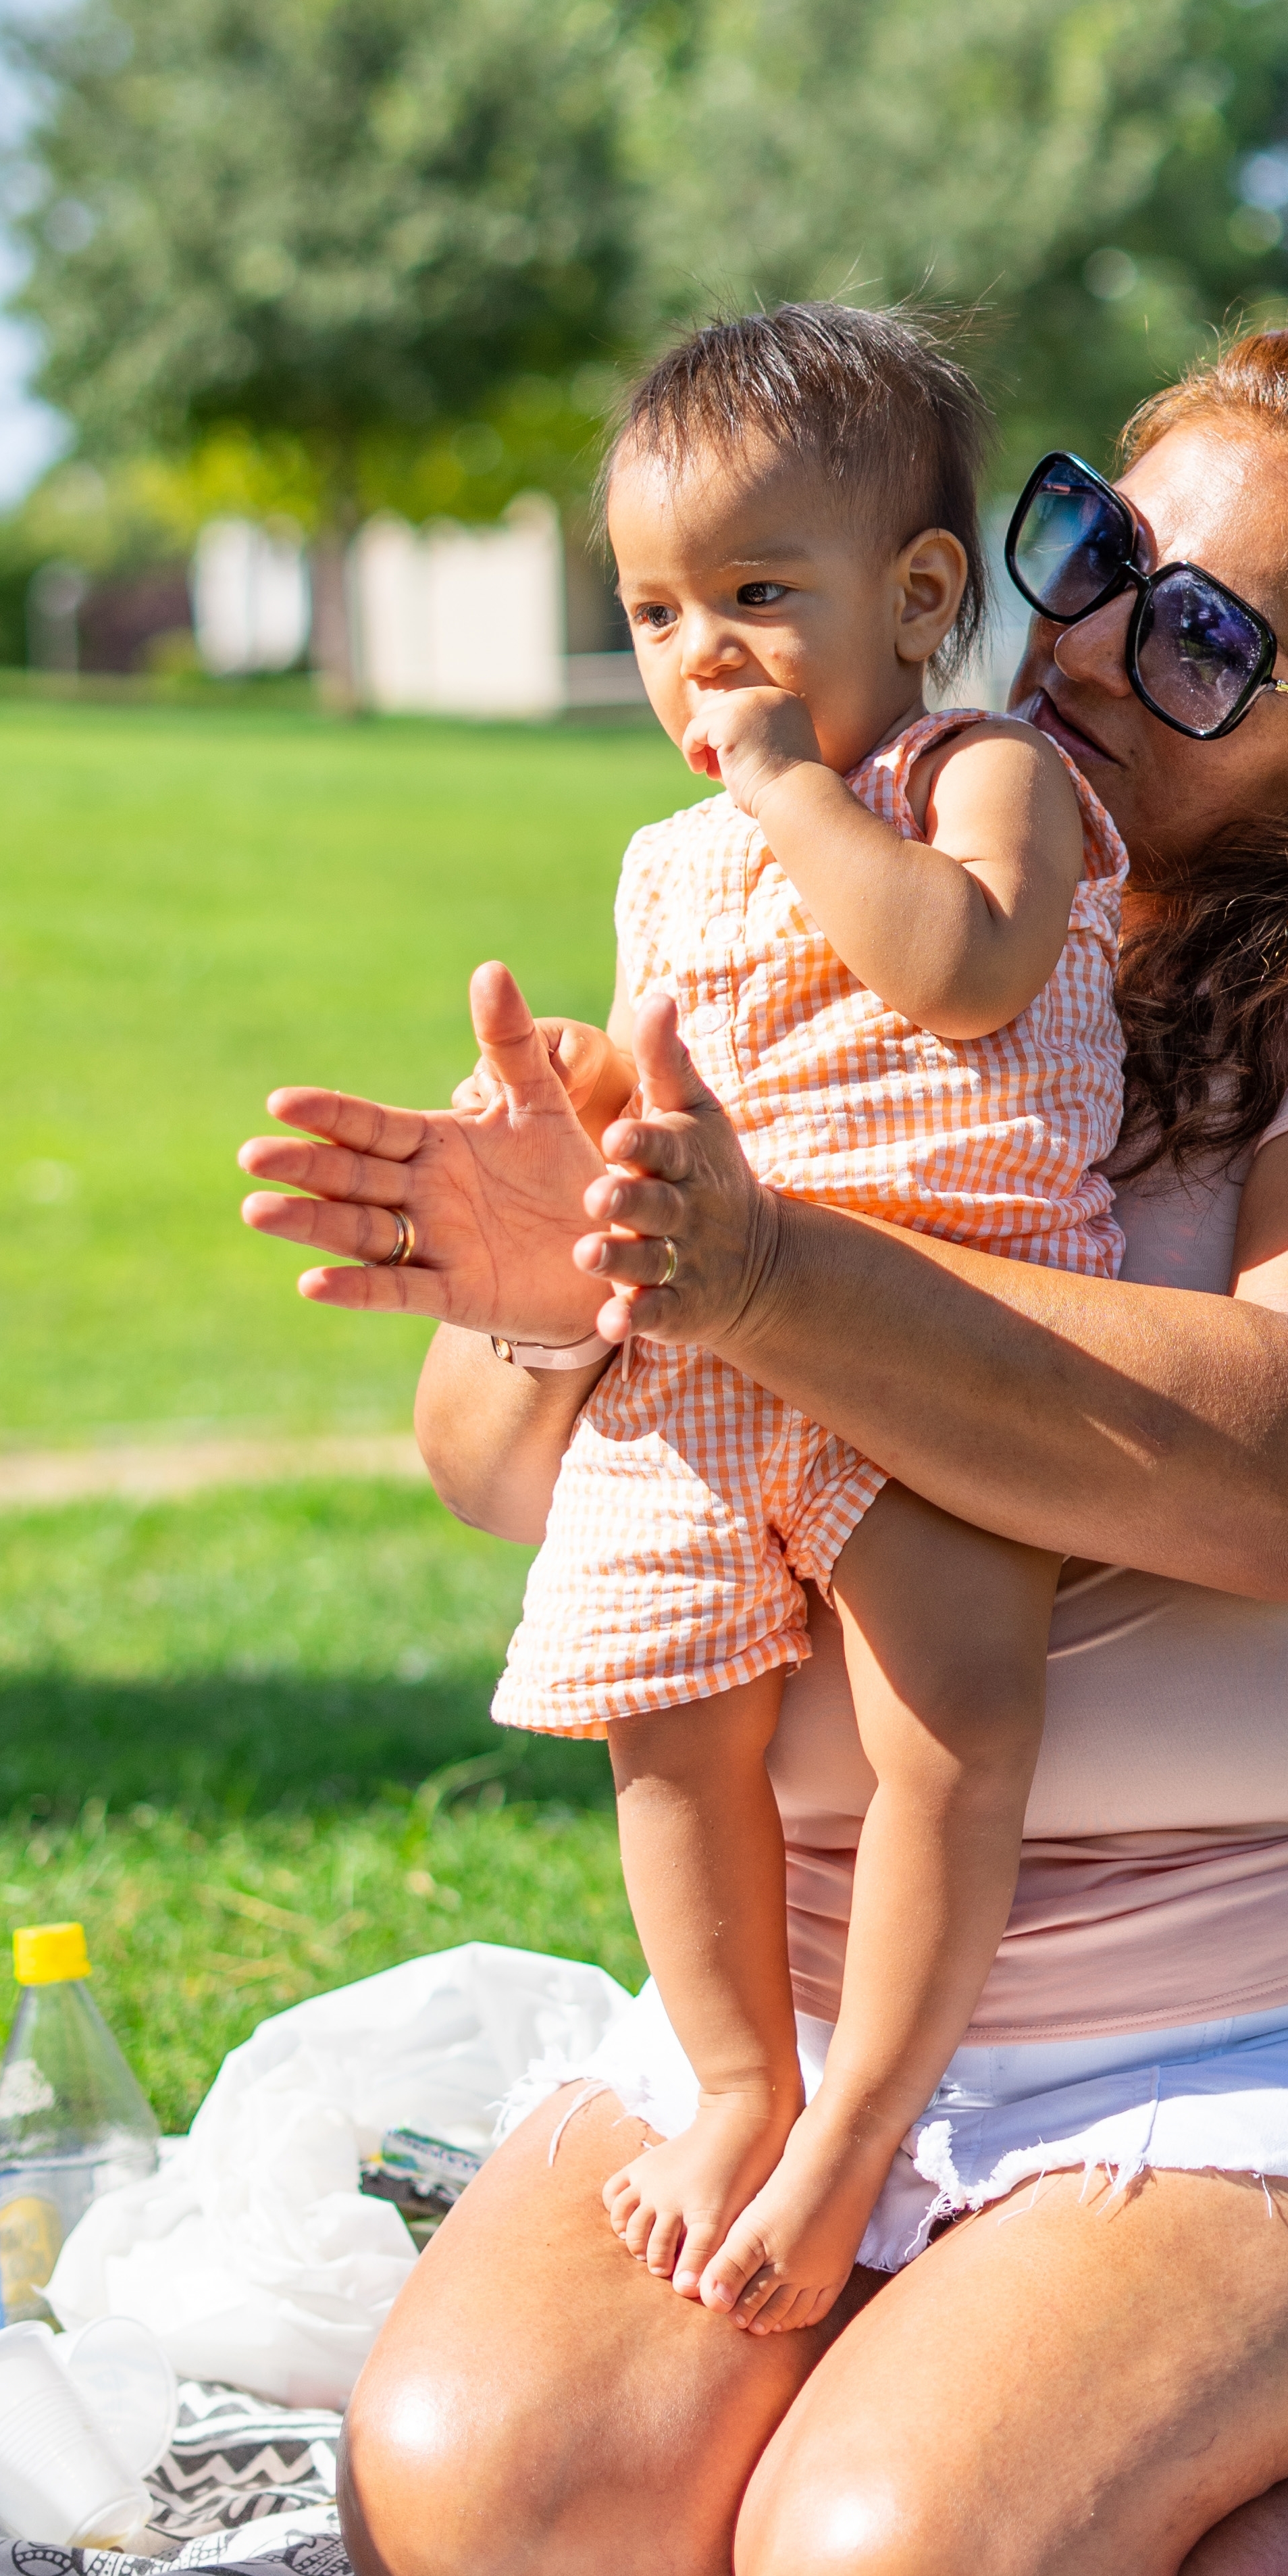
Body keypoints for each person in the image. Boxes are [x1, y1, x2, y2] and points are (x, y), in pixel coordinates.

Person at [237, 321, 1288, 2576]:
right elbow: (518, 1483)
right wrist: (555, 1300)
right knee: (487, 2527)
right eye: (1098, 552)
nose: (1109, 639)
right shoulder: (869, 852)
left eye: (1212, 634)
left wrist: (774, 1270)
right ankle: (958, 2342)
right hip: (821, 1999)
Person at [480, 307, 1128, 2336]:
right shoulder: (666, 859)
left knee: (956, 1724)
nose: (705, 657)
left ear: (920, 595)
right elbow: (704, 1079)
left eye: (760, 594)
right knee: (659, 1726)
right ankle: (740, 2071)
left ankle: (859, 2115)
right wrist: (588, 1103)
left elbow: (958, 969)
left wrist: (788, 788)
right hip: (700, 1366)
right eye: (659, 611)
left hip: (941, 1332)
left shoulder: (981, 775)